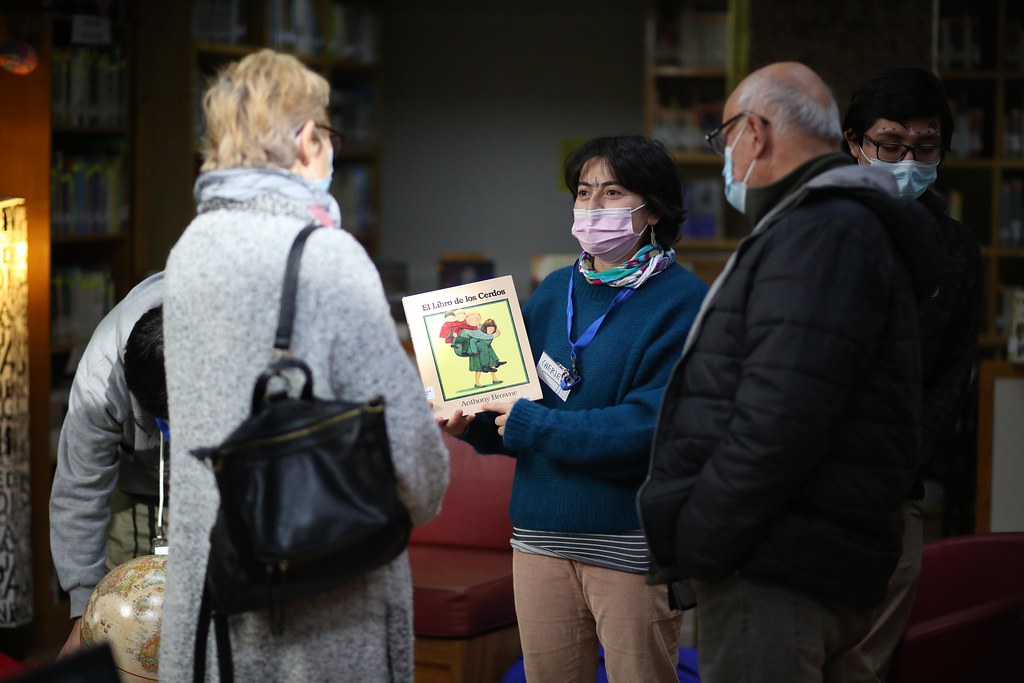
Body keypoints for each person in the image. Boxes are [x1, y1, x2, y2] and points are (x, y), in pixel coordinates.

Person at [638, 62, 941, 683]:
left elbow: (781, 417)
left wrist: (704, 542)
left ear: (753, 133)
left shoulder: (822, 230)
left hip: (775, 565)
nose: (725, 160)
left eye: (723, 140)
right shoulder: (824, 225)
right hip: (799, 553)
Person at [160, 49, 448, 682]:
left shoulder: (189, 251)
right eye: (327, 133)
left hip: (216, 592)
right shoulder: (327, 256)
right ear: (305, 139)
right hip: (321, 607)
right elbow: (414, 465)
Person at [440, 135, 708, 683]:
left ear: (654, 209)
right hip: (538, 538)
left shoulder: (685, 302)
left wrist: (528, 421)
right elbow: (514, 414)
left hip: (629, 544)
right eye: (584, 192)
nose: (593, 207)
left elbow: (648, 428)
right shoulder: (553, 290)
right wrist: (470, 423)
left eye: (613, 192)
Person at [840, 67, 983, 680]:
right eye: (890, 145)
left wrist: (905, 460)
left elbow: (953, 372)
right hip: (806, 481)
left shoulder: (955, 248)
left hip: (895, 487)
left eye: (925, 148)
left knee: (868, 662)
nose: (907, 162)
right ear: (854, 142)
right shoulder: (815, 226)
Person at [49, 272, 166, 657]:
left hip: (225, 492)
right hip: (134, 495)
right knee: (124, 631)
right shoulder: (100, 380)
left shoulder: (237, 344)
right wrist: (85, 612)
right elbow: (78, 490)